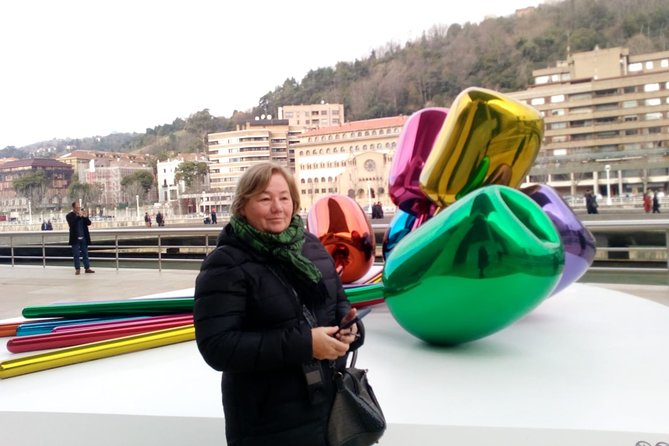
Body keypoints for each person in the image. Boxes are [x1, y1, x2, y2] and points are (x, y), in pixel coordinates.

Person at [194, 162, 364, 446]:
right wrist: (306, 344)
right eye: (264, 199)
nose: (278, 207)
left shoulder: (311, 247)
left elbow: (339, 305)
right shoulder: (225, 263)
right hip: (267, 421)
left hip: (330, 409)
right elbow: (218, 347)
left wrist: (351, 329)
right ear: (242, 206)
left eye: (284, 198)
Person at [66, 202, 94, 275]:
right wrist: (78, 216)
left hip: (84, 237)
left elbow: (89, 223)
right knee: (76, 254)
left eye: (79, 207)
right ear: (73, 208)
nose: (79, 208)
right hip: (75, 238)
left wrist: (84, 216)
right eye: (77, 207)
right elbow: (72, 224)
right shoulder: (69, 216)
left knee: (85, 253)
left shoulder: (82, 215)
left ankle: (87, 268)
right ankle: (77, 269)